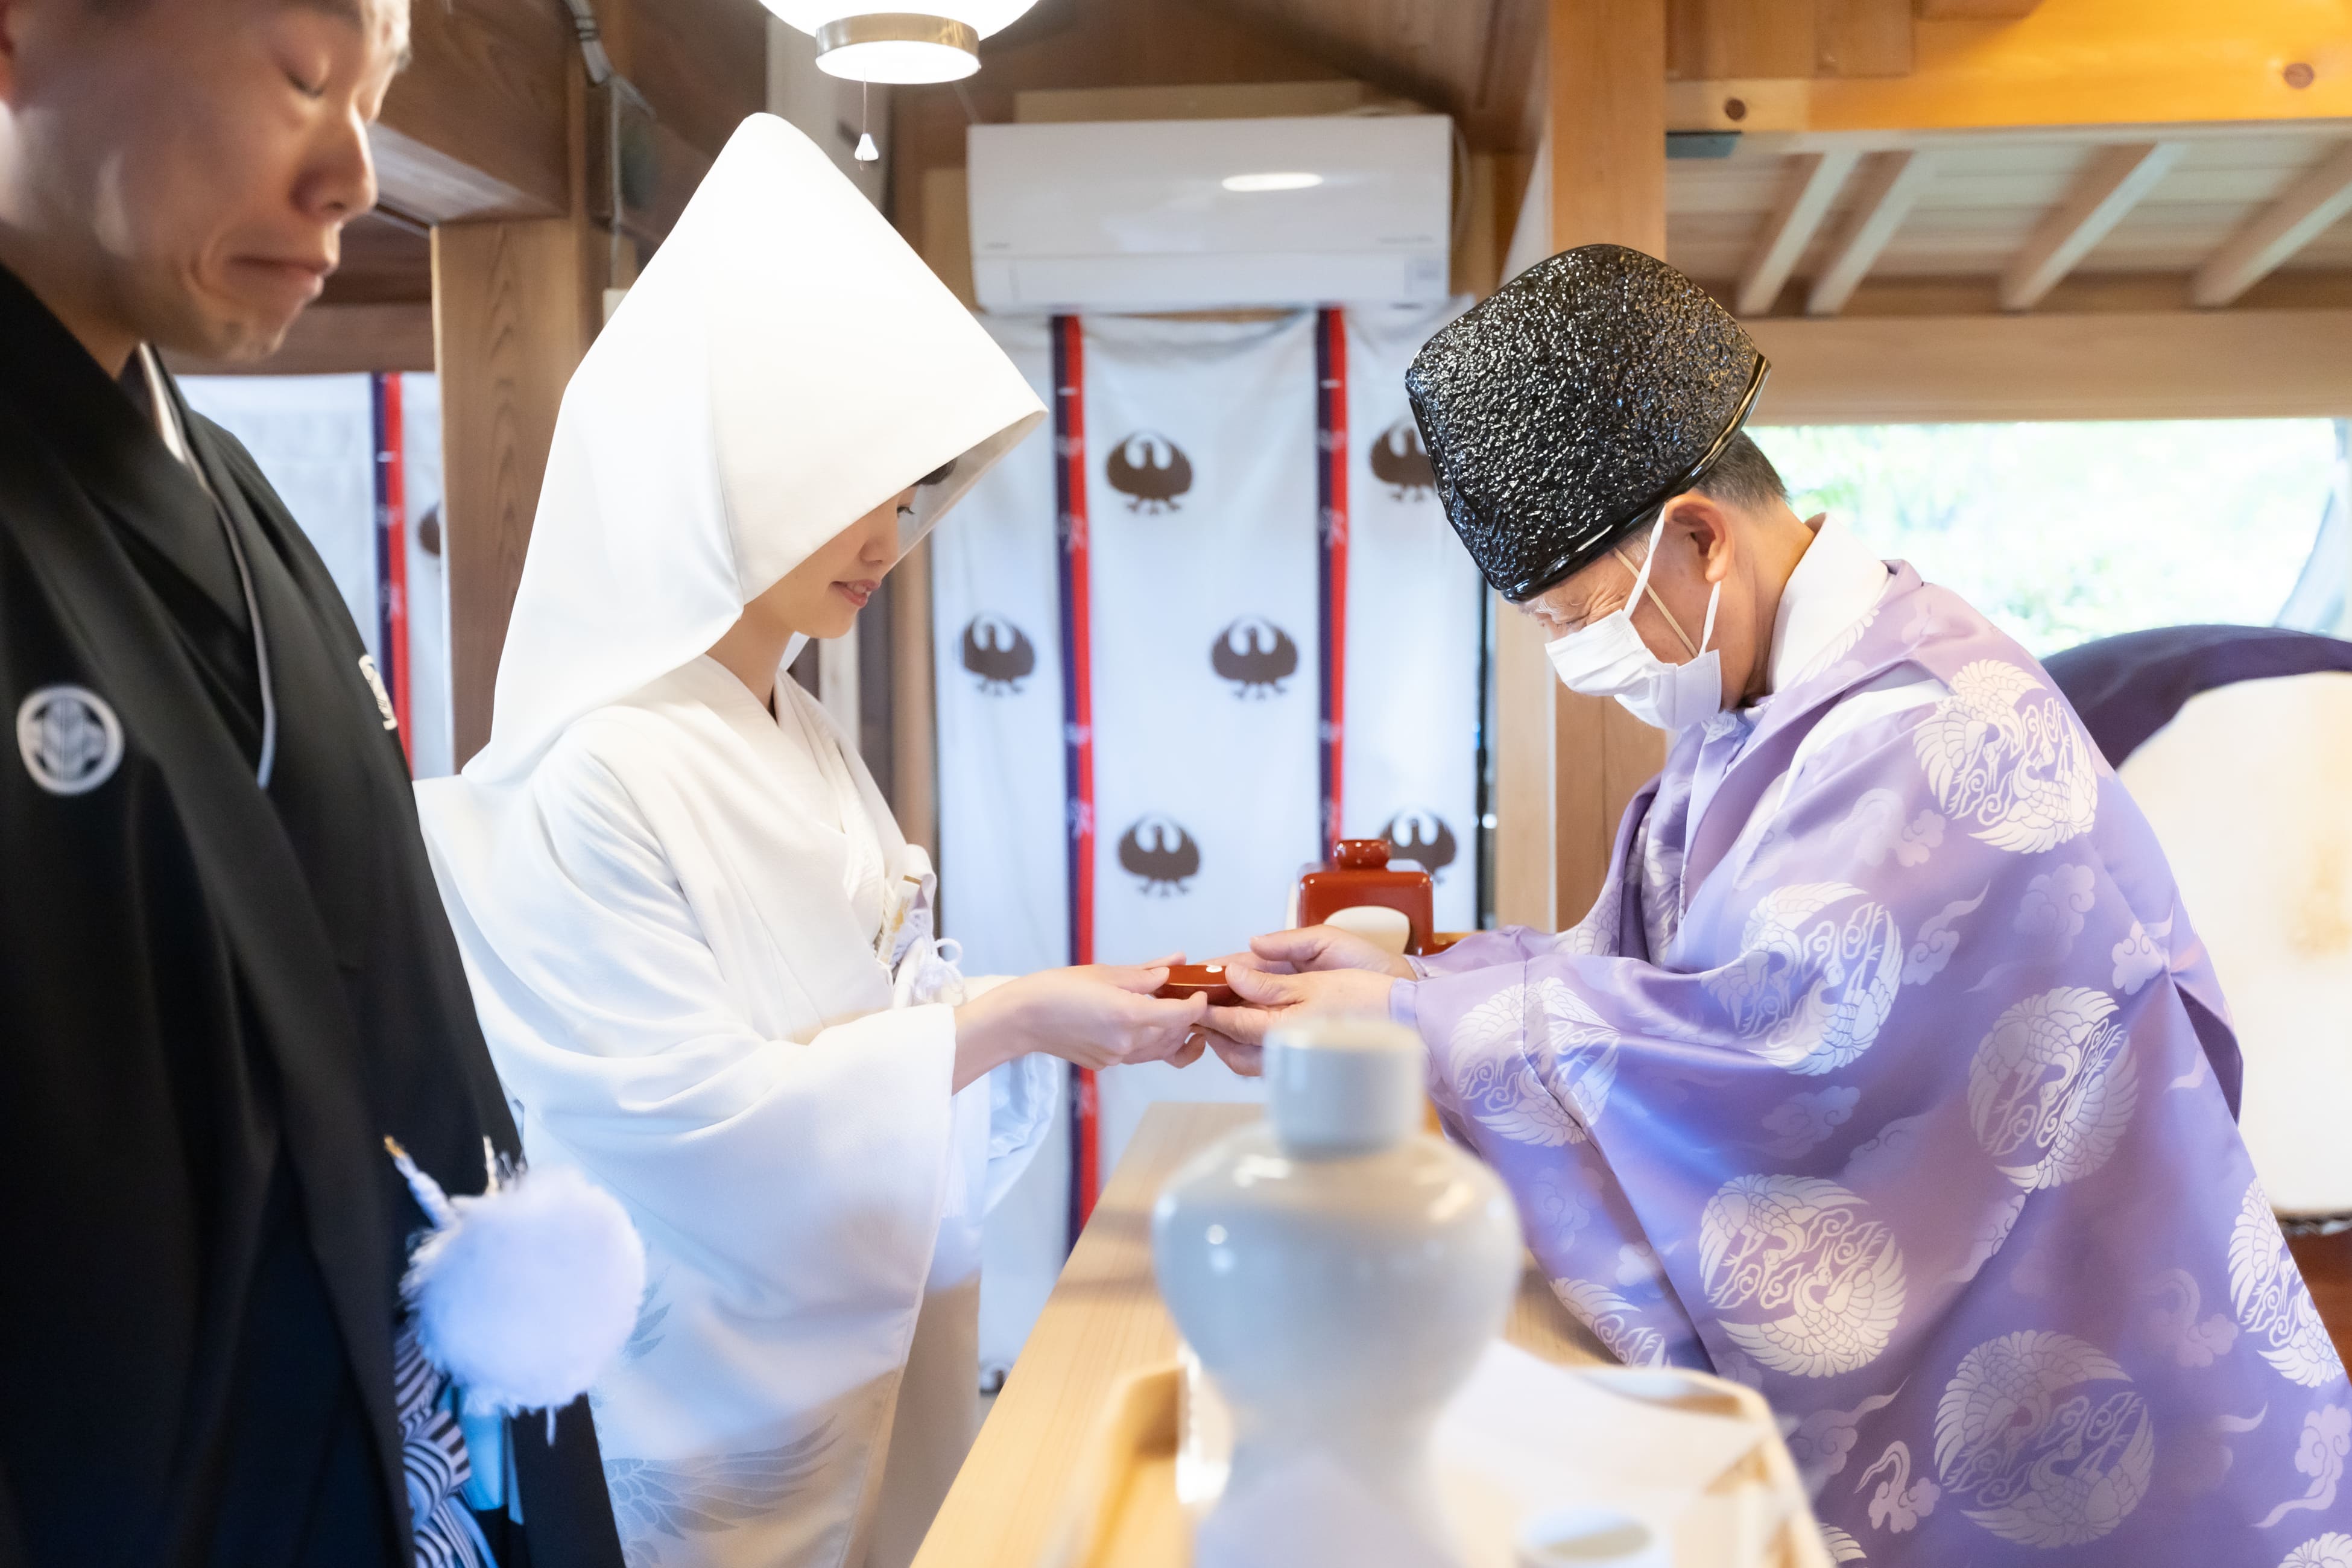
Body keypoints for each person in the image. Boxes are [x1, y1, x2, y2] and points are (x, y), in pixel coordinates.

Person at [1203, 245, 2352, 1563]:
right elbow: (1666, 992)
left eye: (1578, 619)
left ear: (1700, 536)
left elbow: (1786, 1068)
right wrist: (1409, 992)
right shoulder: (1777, 711)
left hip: (2084, 1349)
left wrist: (1426, 1026)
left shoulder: (1930, 736)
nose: (1580, 662)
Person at [414, 116, 1208, 1568]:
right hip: (713, 1413)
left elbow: (875, 1014)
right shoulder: (594, 770)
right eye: (858, 486)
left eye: (911, 495)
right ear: (732, 474)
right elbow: (692, 1126)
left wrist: (1019, 1019)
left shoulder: (800, 725)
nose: (889, 533)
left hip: (873, 1338)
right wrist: (1019, 1015)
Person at [0, 1, 624, 1564]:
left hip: (386, 1470)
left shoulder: (241, 507)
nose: (352, 170)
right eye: (299, 79)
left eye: (376, 95)